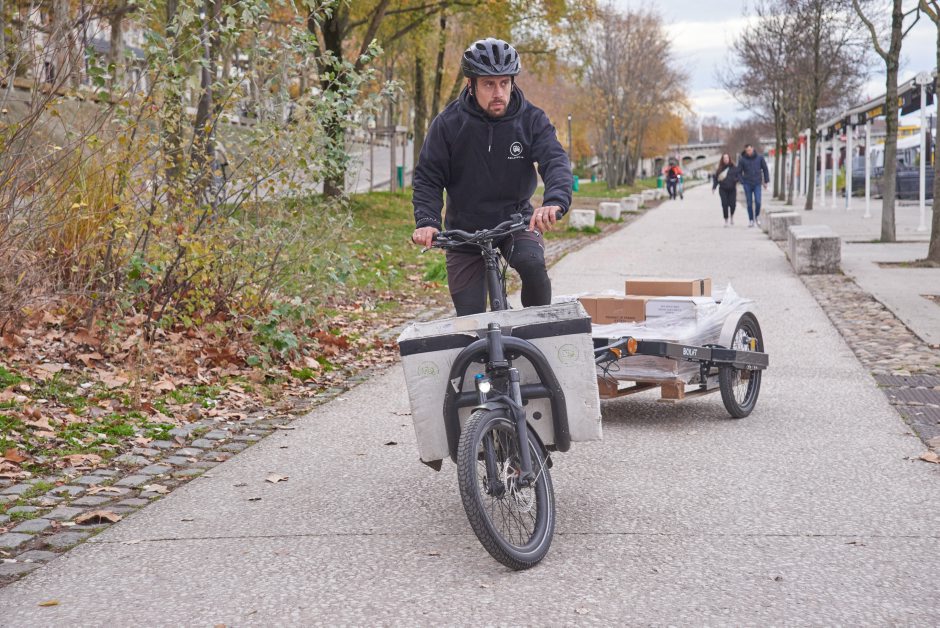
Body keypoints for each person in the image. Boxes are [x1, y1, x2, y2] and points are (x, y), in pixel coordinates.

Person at [411, 38, 573, 316]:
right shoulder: (448, 124)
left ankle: (537, 327)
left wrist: (555, 201)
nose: (498, 92)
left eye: (504, 83)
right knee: (470, 316)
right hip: (464, 229)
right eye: (488, 84)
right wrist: (427, 221)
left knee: (532, 264)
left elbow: (555, 160)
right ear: (471, 85)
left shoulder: (532, 119)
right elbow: (428, 177)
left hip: (516, 220)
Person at [738, 144, 769, 227]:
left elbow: (765, 169)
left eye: (750, 150)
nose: (749, 152)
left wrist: (766, 181)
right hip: (747, 183)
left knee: (758, 201)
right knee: (749, 203)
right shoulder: (742, 160)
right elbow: (738, 172)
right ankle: (751, 220)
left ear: (753, 149)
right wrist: (742, 182)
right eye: (747, 150)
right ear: (745, 151)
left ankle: (757, 216)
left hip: (757, 183)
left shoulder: (759, 158)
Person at [712, 153, 740, 227]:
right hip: (723, 189)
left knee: (733, 205)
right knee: (724, 204)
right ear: (722, 160)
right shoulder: (719, 169)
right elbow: (716, 179)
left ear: (729, 159)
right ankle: (726, 219)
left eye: (727, 158)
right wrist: (714, 187)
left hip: (732, 189)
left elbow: (738, 176)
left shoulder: (734, 168)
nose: (726, 159)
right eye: (724, 158)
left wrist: (735, 180)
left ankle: (732, 216)